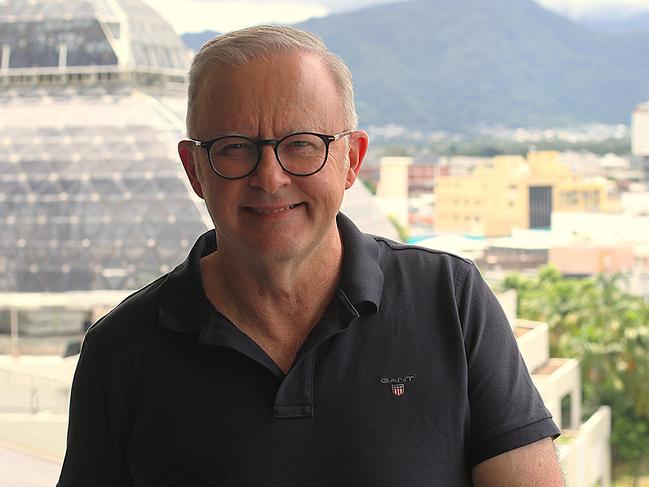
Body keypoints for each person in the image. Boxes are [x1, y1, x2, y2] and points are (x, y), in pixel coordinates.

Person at [58, 25, 564, 486]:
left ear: (352, 159)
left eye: (302, 144)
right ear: (195, 169)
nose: (270, 177)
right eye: (235, 147)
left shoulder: (449, 301)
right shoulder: (121, 350)